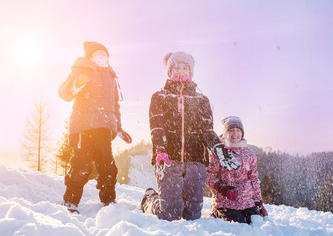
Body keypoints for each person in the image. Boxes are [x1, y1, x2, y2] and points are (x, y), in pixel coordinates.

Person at [140, 51, 240, 221]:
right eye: (176, 67)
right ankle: (149, 199)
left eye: (185, 68)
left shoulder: (202, 100)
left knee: (192, 215)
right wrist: (160, 150)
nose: (180, 71)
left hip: (196, 159)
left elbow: (207, 130)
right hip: (169, 158)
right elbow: (157, 128)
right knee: (170, 214)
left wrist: (218, 148)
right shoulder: (159, 97)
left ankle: (170, 201)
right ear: (170, 71)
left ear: (190, 71)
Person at [58, 41, 132, 213]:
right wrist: (75, 86)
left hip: (104, 129)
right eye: (98, 55)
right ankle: (70, 201)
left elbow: (115, 106)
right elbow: (63, 92)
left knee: (108, 166)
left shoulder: (111, 77)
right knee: (81, 165)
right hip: (84, 127)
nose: (102, 58)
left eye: (104, 55)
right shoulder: (82, 70)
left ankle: (109, 202)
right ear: (90, 58)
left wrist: (119, 128)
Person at [206, 116, 268, 224]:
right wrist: (223, 189)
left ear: (242, 133)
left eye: (238, 130)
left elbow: (254, 179)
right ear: (225, 133)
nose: (235, 134)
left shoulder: (249, 154)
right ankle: (216, 212)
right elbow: (208, 176)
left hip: (247, 202)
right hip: (225, 202)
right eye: (231, 130)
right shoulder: (218, 152)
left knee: (257, 222)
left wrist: (258, 202)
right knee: (239, 225)